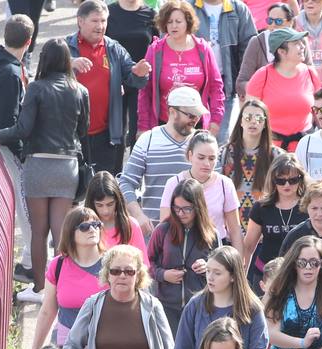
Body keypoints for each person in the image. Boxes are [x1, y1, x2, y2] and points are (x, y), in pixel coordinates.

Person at [0, 38, 92, 305]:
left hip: (38, 164)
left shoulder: (36, 88)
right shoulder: (80, 90)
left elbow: (22, 129)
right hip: (67, 165)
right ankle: (63, 286)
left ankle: (40, 288)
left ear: (45, 59)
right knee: (61, 229)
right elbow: (83, 130)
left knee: (39, 231)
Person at [0, 16, 37, 284]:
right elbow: (11, 119)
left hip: (2, 141)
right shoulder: (12, 73)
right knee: (27, 207)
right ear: (29, 41)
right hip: (11, 147)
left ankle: (29, 261)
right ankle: (31, 265)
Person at [68, 1, 153, 176]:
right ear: (80, 21)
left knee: (103, 190)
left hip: (105, 135)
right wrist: (69, 63)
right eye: (95, 21)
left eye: (104, 21)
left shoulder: (113, 48)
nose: (100, 26)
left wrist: (138, 73)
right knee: (73, 192)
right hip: (71, 135)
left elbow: (134, 78)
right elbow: (45, 74)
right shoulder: (65, 47)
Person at [170, 245, 270, 349]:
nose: (210, 277)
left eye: (217, 273)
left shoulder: (252, 308)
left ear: (233, 276)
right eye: (208, 271)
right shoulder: (195, 304)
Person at [121, 87, 206, 231]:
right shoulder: (148, 140)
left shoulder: (203, 142)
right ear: (172, 112)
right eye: (191, 115)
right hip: (155, 233)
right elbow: (126, 182)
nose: (195, 120)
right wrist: (138, 215)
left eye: (198, 116)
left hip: (195, 234)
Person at [138, 0, 226, 135]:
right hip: (164, 124)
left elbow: (216, 87)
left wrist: (216, 119)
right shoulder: (155, 50)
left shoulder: (203, 49)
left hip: (197, 124)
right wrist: (143, 126)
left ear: (188, 22)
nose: (173, 25)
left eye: (178, 21)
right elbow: (145, 90)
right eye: (169, 21)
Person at [148, 178, 224, 329]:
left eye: (187, 209)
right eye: (176, 208)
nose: (180, 213)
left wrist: (207, 267)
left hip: (201, 305)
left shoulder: (212, 234)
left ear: (198, 207)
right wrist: (163, 274)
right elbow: (147, 263)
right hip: (167, 306)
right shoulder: (162, 230)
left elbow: (222, 268)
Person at [33, 206, 106, 349]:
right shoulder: (58, 264)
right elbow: (47, 311)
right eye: (85, 226)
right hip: (65, 347)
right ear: (70, 233)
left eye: (96, 224)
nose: (92, 229)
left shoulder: (112, 263)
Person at [244, 27, 322, 150]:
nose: (303, 46)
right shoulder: (262, 75)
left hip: (305, 147)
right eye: (296, 43)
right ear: (281, 51)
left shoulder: (310, 73)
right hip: (270, 149)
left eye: (302, 42)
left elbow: (321, 111)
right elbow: (249, 115)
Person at [159, 131, 244, 243]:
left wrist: (238, 260)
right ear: (190, 156)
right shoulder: (174, 183)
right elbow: (164, 227)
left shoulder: (225, 184)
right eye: (201, 158)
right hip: (181, 246)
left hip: (216, 250)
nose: (207, 164)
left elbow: (235, 230)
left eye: (211, 158)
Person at [188, 0, 259, 134]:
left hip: (225, 83)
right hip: (192, 83)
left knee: (219, 137)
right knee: (190, 136)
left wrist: (243, 81)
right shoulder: (189, 6)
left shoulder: (238, 9)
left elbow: (249, 49)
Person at [241, 156, 310, 288]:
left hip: (300, 275)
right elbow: (248, 247)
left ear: (301, 179)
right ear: (273, 180)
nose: (287, 185)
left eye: (293, 180)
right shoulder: (261, 208)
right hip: (265, 276)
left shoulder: (309, 206)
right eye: (281, 180)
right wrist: (241, 279)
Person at [221, 98, 288, 228]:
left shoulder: (278, 156)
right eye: (248, 117)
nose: (253, 121)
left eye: (258, 118)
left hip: (265, 229)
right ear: (240, 121)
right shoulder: (224, 154)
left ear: (265, 123)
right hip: (231, 229)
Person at [108, 0, 161, 148]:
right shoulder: (108, 12)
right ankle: (114, 171)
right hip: (114, 82)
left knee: (139, 135)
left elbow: (157, 48)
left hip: (142, 83)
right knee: (115, 136)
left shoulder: (151, 15)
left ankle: (135, 170)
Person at [236, 5, 301, 97]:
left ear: (290, 22)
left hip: (295, 99)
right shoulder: (257, 42)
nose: (273, 25)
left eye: (278, 21)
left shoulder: (301, 41)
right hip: (264, 104)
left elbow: (309, 74)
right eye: (270, 21)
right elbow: (241, 82)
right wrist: (264, 88)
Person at [86, 172, 149, 253]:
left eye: (110, 204)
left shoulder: (131, 225)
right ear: (91, 203)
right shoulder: (82, 227)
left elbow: (142, 262)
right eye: (99, 205)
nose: (105, 211)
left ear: (118, 201)